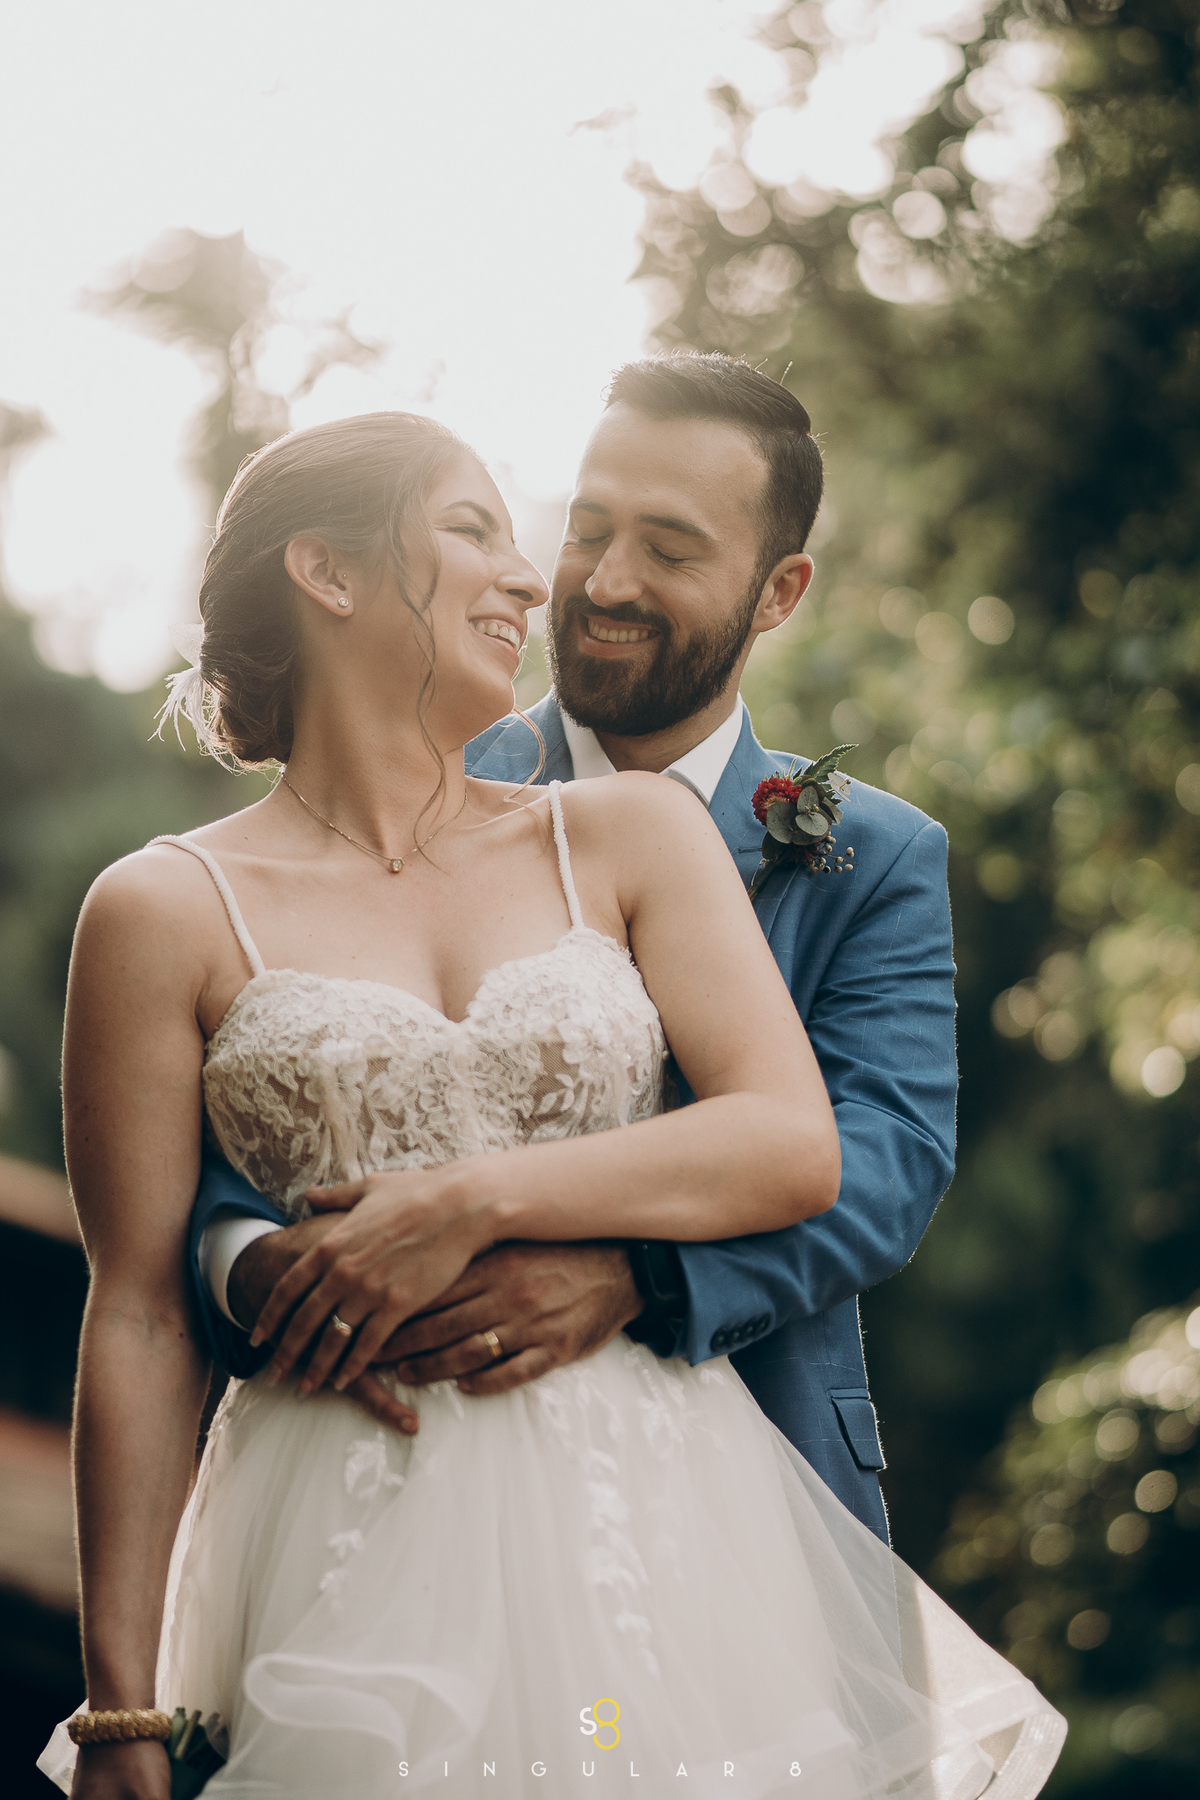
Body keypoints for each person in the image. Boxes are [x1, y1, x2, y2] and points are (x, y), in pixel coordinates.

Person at [42, 397, 1064, 1800]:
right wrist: (122, 1711)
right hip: (353, 1535)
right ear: (329, 576)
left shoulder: (738, 844)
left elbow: (855, 1153)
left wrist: (604, 1261)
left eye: (668, 546)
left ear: (779, 591)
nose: (569, 578)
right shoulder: (167, 904)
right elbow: (159, 1269)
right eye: (556, 531)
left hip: (680, 1526)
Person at [192, 355, 954, 1544]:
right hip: (389, 1464)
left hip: (759, 1488)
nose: (603, 581)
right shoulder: (414, 787)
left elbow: (887, 1158)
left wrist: (634, 1277)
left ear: (778, 590)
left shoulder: (875, 857)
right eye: (588, 526)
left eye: (671, 547)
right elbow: (258, 1133)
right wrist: (257, 1269)